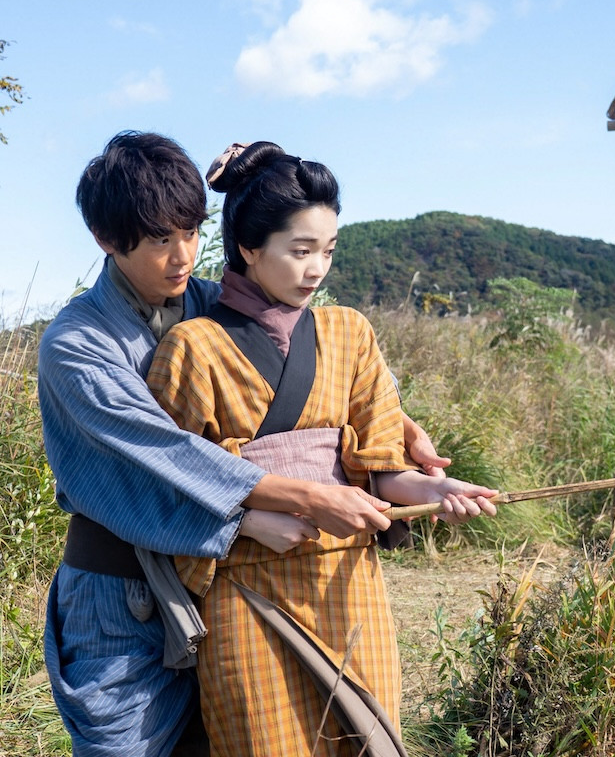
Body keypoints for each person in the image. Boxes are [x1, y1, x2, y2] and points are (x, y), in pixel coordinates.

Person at [38, 131, 453, 757]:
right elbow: (170, 455)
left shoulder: (206, 305)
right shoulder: (78, 345)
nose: (182, 256)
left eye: (191, 232)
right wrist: (306, 501)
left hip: (221, 574)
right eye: (159, 240)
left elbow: (307, 362)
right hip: (124, 587)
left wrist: (400, 431)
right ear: (105, 239)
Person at [146, 141, 498, 756]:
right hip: (245, 589)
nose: (316, 270)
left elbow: (382, 470)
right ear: (249, 249)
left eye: (328, 251)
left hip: (347, 580)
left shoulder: (350, 333)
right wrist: (250, 522)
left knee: (369, 743)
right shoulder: (192, 348)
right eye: (300, 251)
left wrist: (437, 488)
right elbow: (167, 489)